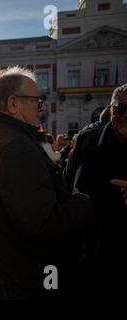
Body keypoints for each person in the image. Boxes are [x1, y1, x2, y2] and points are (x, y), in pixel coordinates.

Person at [0, 66, 94, 300]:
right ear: (13, 104)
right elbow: (42, 224)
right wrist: (81, 202)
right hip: (13, 280)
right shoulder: (13, 147)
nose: (40, 109)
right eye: (36, 101)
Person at [64, 84, 127, 297]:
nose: (124, 115)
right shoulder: (87, 140)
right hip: (89, 247)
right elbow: (66, 183)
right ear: (110, 109)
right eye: (119, 109)